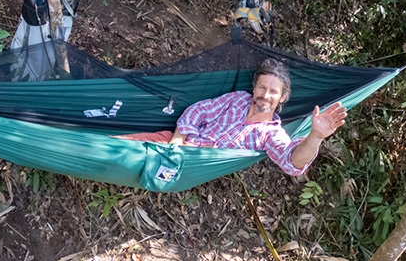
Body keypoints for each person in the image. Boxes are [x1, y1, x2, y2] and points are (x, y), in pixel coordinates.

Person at [120, 59, 347, 176]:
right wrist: (177, 141)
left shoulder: (271, 133)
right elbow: (199, 110)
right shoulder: (238, 99)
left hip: (192, 166)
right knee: (116, 146)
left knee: (127, 162)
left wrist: (316, 136)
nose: (265, 95)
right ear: (254, 87)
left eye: (273, 92)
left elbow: (292, 162)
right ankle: (84, 146)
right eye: (262, 88)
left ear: (282, 97)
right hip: (175, 143)